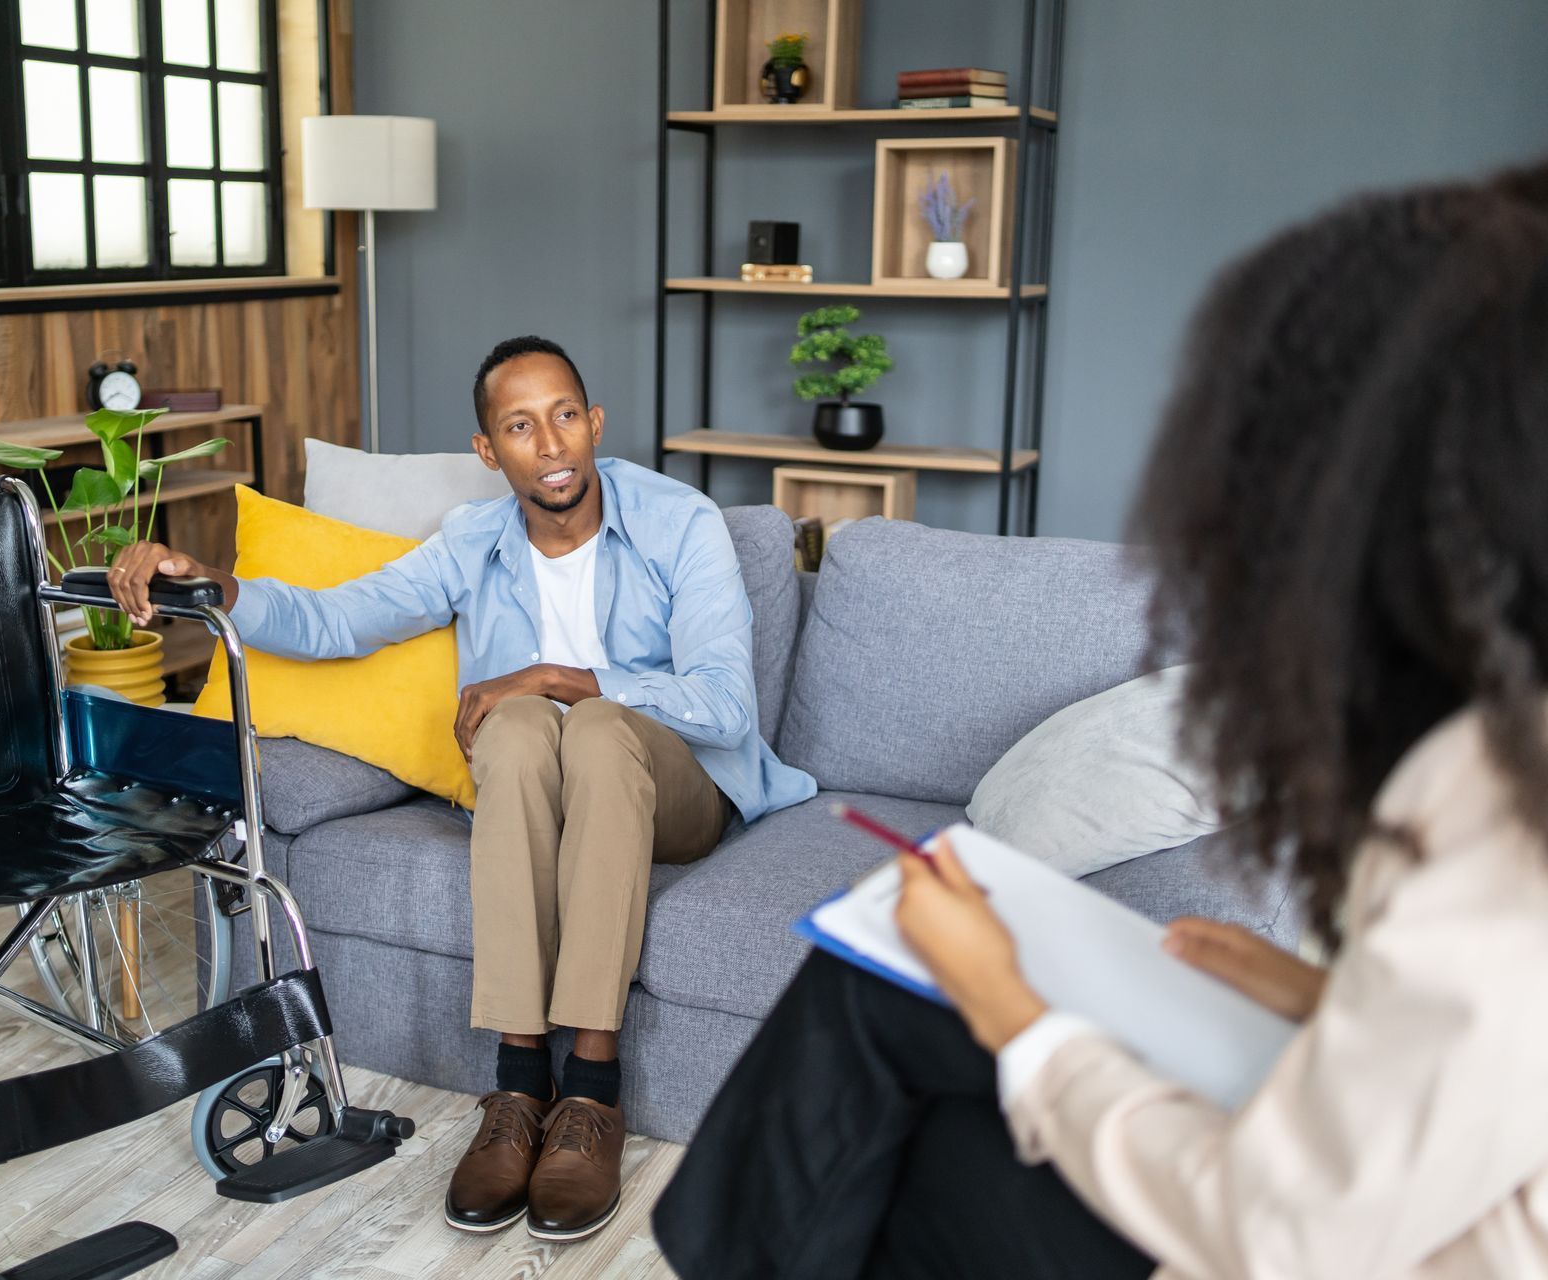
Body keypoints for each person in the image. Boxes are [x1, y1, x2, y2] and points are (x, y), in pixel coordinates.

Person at [652, 161, 1548, 1278]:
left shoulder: (1498, 826)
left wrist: (1010, 1000)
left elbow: (1278, 1231)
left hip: (1283, 1237)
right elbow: (1485, 1069)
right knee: (879, 983)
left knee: (902, 1073)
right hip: (1343, 1181)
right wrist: (1322, 997)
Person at [106, 335, 817, 1242]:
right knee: (512, 729)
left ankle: (591, 1092)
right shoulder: (473, 541)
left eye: (565, 416)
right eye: (521, 426)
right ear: (490, 452)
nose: (551, 444)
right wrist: (220, 586)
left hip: (677, 784)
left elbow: (723, 703)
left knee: (585, 724)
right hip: (541, 783)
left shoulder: (679, 521)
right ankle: (521, 1086)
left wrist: (559, 677)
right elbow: (341, 619)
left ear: (594, 423)